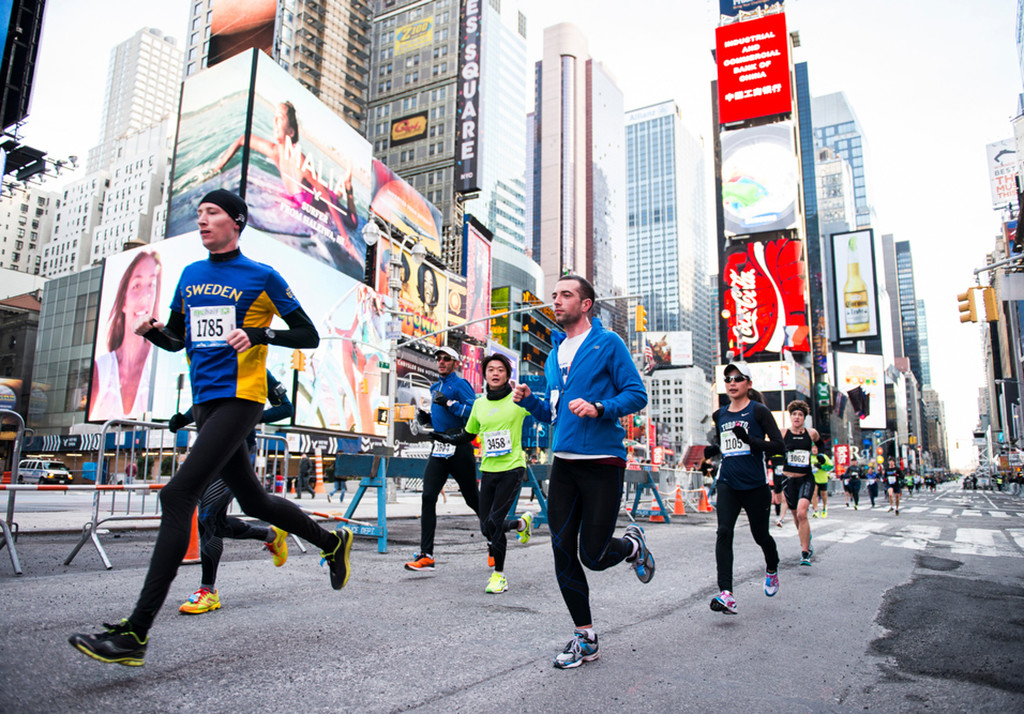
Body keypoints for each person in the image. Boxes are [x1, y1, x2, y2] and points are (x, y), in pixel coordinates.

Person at [69, 190, 353, 668]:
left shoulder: (262, 276)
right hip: (204, 401)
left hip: (242, 398)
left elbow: (308, 335)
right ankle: (332, 542)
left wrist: (260, 333)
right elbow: (178, 340)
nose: (202, 220)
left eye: (212, 213)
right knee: (255, 501)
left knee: (177, 495)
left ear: (236, 221)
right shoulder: (190, 275)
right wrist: (153, 332)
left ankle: (137, 632)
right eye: (199, 214)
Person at [513, 275, 652, 669]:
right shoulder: (554, 353)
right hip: (564, 464)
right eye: (554, 295)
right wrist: (530, 402)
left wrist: (599, 408)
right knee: (561, 550)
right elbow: (554, 413)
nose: (556, 301)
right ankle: (585, 637)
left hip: (602, 462)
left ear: (586, 304)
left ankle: (631, 547)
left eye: (566, 295)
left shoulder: (608, 343)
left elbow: (636, 394)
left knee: (593, 554)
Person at [168, 369, 293, 615]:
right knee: (213, 521)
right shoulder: (212, 362)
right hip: (209, 448)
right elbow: (209, 403)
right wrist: (183, 418)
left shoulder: (256, 366)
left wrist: (250, 416)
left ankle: (207, 591)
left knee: (207, 516)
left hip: (239, 449)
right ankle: (271, 535)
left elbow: (286, 408)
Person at [212, 101, 361, 266]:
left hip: (324, 203)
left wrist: (346, 241)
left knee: (354, 224)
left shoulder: (299, 161)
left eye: (280, 118)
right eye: (274, 118)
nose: (275, 122)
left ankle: (348, 189)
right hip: (310, 197)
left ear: (291, 131)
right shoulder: (275, 151)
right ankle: (340, 190)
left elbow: (325, 196)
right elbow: (243, 139)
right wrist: (217, 167)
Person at [434, 353, 535, 594]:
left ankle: (499, 576)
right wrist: (446, 438)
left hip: (512, 467)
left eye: (500, 369)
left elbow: (542, 410)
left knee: (494, 522)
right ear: (485, 375)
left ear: (507, 375)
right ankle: (521, 523)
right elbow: (469, 434)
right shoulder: (479, 404)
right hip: (488, 469)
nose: (495, 373)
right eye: (491, 369)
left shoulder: (517, 400)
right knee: (485, 526)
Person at [703, 362, 784, 617]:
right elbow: (727, 446)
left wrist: (750, 440)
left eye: (738, 378)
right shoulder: (720, 415)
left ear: (748, 384)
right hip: (728, 482)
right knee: (724, 532)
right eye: (728, 379)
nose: (732, 383)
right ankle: (726, 593)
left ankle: (772, 568)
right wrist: (714, 450)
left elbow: (779, 446)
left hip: (755, 485)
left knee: (761, 536)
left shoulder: (759, 411)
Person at [404, 345, 481, 572]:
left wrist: (448, 403)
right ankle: (426, 555)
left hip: (459, 446)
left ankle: (494, 539)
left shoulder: (461, 385)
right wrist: (427, 418)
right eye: (438, 358)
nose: (441, 362)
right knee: (428, 496)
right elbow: (443, 417)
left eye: (446, 359)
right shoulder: (434, 387)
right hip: (439, 448)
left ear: (455, 363)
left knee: (472, 499)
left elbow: (474, 413)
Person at [89, 250, 162, 420]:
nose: (145, 297)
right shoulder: (102, 368)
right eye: (137, 286)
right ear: (123, 301)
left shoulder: (160, 364)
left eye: (151, 285)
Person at [780, 400, 818, 566]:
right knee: (796, 514)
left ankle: (805, 551)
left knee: (802, 513)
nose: (797, 417)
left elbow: (820, 446)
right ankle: (805, 537)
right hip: (788, 479)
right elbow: (774, 453)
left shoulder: (812, 433)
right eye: (794, 414)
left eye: (800, 415)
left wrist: (819, 456)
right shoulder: (783, 433)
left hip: (806, 478)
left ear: (804, 418)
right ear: (790, 417)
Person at [810, 446, 833, 518]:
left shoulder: (823, 456)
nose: (814, 450)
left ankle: (824, 507)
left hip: (822, 478)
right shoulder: (809, 457)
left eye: (815, 448)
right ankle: (816, 510)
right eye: (813, 448)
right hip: (813, 478)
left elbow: (831, 466)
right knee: (814, 493)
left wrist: (821, 467)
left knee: (823, 494)